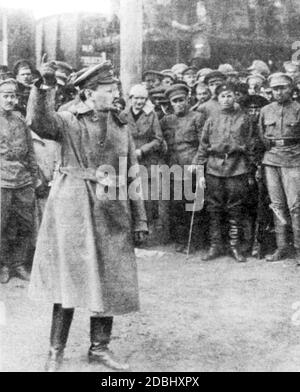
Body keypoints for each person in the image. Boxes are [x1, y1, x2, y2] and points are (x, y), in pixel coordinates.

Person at [26, 61, 148, 371]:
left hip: (112, 210)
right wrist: (44, 88)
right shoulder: (68, 120)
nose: (115, 92)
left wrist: (141, 218)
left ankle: (99, 349)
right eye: (109, 89)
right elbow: (39, 122)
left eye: (114, 88)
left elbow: (132, 172)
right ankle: (55, 352)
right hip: (74, 209)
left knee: (108, 278)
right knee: (68, 280)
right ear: (89, 93)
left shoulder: (122, 126)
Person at [193, 83, 255, 263]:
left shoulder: (244, 119)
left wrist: (251, 171)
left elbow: (250, 145)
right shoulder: (211, 119)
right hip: (214, 167)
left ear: (235, 97)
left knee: (235, 207)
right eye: (222, 96)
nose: (226, 99)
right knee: (214, 208)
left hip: (237, 167)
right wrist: (199, 170)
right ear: (217, 99)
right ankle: (215, 245)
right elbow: (203, 146)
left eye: (229, 95)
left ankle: (234, 246)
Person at [259, 73, 300, 265]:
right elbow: (262, 136)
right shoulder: (266, 110)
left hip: (294, 159)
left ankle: (299, 249)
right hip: (272, 159)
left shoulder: (298, 108)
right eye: (275, 88)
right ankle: (282, 247)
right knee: (277, 205)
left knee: (295, 206)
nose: (279, 92)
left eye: (283, 88)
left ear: (291, 89)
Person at [0, 78, 38, 284]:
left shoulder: (20, 120)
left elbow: (30, 151)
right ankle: (4, 265)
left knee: (26, 223)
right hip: (2, 180)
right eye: (5, 96)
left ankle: (19, 264)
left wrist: (34, 175)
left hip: (23, 179)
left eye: (13, 96)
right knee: (2, 224)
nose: (10, 100)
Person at [161, 84, 205, 253]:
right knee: (177, 205)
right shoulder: (167, 120)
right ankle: (181, 240)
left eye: (181, 100)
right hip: (174, 167)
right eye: (175, 101)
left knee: (193, 204)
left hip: (191, 165)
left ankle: (194, 241)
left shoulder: (197, 117)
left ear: (188, 100)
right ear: (171, 104)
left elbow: (203, 143)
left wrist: (197, 163)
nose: (179, 104)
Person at [120, 84, 163, 233]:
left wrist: (143, 150)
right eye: (137, 98)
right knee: (131, 194)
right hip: (128, 160)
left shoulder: (151, 115)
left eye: (143, 99)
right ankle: (132, 231)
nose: (140, 102)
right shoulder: (122, 115)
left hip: (146, 160)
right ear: (130, 99)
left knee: (148, 198)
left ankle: (148, 230)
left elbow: (158, 139)